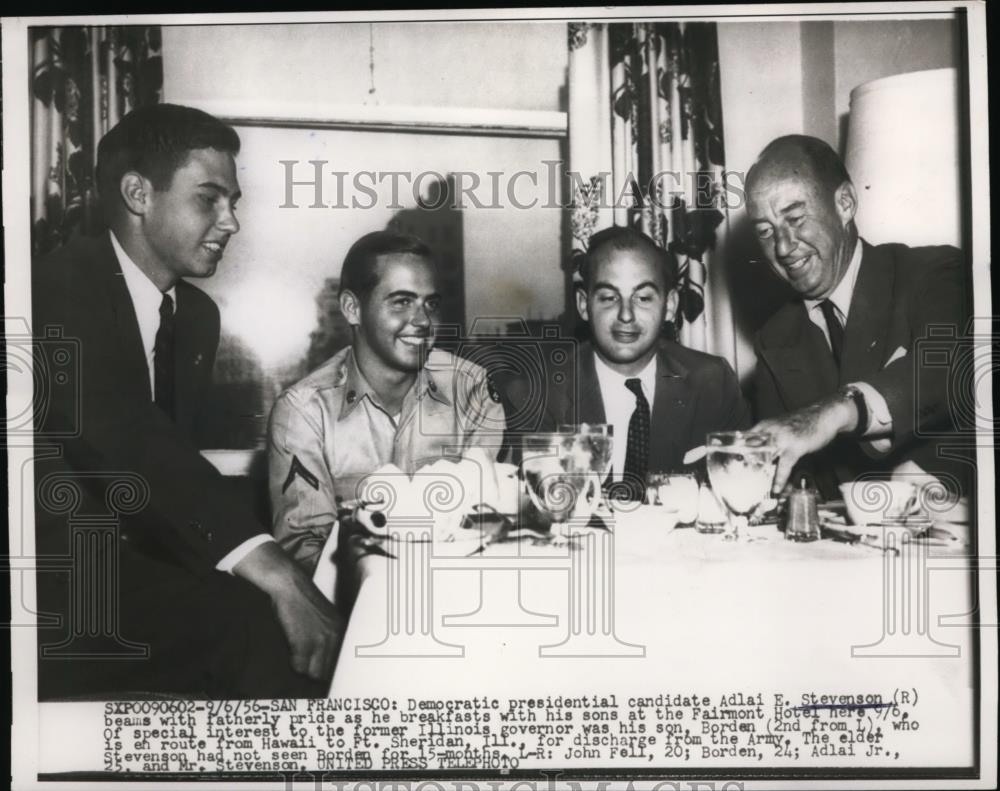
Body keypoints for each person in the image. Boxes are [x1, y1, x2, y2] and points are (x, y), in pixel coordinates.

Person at [32, 104, 341, 699]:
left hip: (133, 570)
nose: (232, 222)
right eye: (209, 199)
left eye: (235, 202)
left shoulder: (195, 317)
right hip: (45, 586)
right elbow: (130, 441)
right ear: (137, 193)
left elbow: (168, 465)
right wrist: (275, 571)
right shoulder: (53, 291)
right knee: (258, 624)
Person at [268, 230, 506, 574]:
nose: (423, 321)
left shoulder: (472, 391)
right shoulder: (304, 412)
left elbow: (492, 522)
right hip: (355, 612)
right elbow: (305, 554)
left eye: (431, 304)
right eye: (401, 302)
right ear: (352, 308)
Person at [745, 134, 969, 498]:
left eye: (796, 218)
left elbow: (949, 368)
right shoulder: (774, 339)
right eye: (766, 232)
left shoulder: (935, 273)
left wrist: (831, 413)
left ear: (845, 203)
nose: (783, 247)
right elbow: (789, 477)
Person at [505, 225, 752, 500]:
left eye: (643, 298)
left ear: (669, 306)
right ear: (584, 305)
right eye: (609, 298)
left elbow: (741, 489)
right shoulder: (537, 392)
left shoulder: (712, 383)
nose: (626, 314)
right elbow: (531, 507)